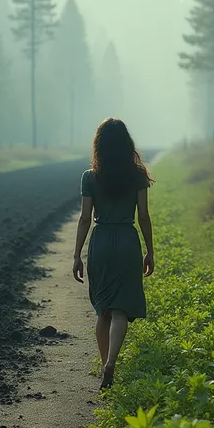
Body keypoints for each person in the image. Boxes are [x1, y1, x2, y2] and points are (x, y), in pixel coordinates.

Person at [72, 118, 154, 389]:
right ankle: (111, 363)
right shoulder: (138, 175)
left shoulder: (89, 177)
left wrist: (76, 255)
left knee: (103, 311)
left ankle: (105, 361)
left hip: (102, 241)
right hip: (128, 241)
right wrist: (150, 251)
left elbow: (85, 218)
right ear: (126, 144)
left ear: (99, 146)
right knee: (121, 311)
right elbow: (143, 216)